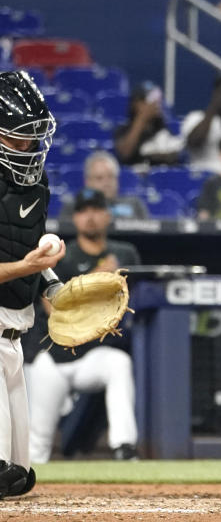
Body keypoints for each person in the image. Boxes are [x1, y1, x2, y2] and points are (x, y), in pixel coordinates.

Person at [27, 188, 140, 464]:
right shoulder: (59, 255)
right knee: (37, 442)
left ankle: (124, 447)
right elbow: (53, 309)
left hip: (94, 353)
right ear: (75, 217)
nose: (90, 217)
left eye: (96, 209)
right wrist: (94, 279)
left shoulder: (125, 254)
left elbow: (136, 298)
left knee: (119, 364)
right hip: (53, 356)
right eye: (83, 211)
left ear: (107, 215)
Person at [0, 71, 65, 498]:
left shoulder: (36, 184)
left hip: (15, 334)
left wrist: (55, 288)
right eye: (21, 137)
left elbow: (31, 257)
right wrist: (25, 266)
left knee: (19, 478)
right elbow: (22, 262)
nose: (30, 147)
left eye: (35, 136)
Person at [58, 151, 149, 221]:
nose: (106, 183)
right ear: (87, 182)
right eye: (99, 178)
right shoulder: (74, 207)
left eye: (110, 177)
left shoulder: (135, 204)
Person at [112, 81, 183, 166]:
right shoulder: (123, 130)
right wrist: (142, 118)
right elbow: (125, 153)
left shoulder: (162, 129)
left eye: (158, 100)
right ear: (136, 104)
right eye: (150, 100)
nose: (155, 104)